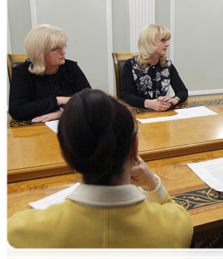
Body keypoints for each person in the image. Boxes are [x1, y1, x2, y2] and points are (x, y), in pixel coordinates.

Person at [5, 89, 193, 259]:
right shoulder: (177, 226)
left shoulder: (18, 232)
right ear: (135, 149)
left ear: (66, 155)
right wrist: (152, 183)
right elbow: (174, 212)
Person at [9, 24, 91, 122]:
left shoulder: (70, 67)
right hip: (36, 130)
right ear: (39, 52)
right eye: (56, 49)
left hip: (70, 124)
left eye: (63, 47)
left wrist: (60, 112)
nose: (63, 52)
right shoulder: (22, 72)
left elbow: (89, 100)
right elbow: (17, 110)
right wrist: (59, 100)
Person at [120, 24, 188, 111]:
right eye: (163, 40)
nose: (167, 44)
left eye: (167, 40)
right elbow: (125, 96)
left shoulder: (167, 64)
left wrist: (174, 100)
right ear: (149, 42)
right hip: (138, 114)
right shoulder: (131, 64)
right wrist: (150, 104)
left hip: (162, 114)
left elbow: (182, 91)